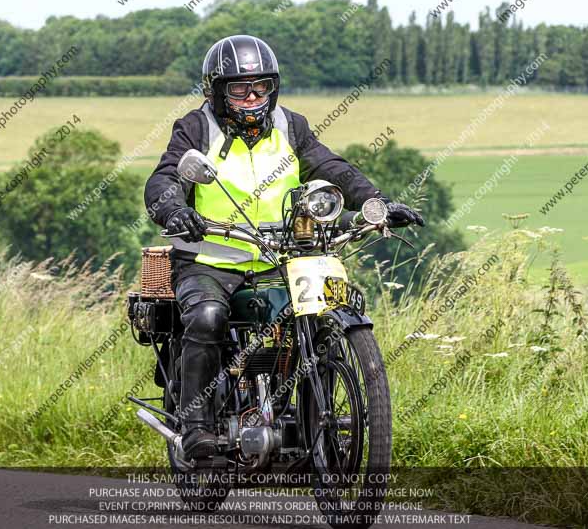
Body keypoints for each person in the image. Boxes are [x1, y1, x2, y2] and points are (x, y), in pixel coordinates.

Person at [144, 35, 424, 461]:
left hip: (282, 257)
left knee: (327, 309)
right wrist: (174, 211)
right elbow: (164, 178)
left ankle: (311, 422)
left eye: (262, 87)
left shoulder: (291, 126)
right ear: (216, 91)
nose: (253, 97)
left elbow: (332, 167)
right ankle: (197, 424)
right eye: (240, 89)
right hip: (210, 260)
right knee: (207, 316)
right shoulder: (197, 127)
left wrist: (376, 202)